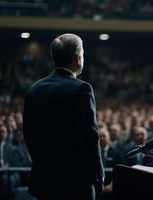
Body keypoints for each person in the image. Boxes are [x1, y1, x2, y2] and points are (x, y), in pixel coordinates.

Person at [23, 33, 105, 200]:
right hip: (76, 183)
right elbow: (90, 137)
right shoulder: (82, 89)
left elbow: (28, 134)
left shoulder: (34, 89)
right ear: (77, 58)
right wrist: (99, 174)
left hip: (44, 179)